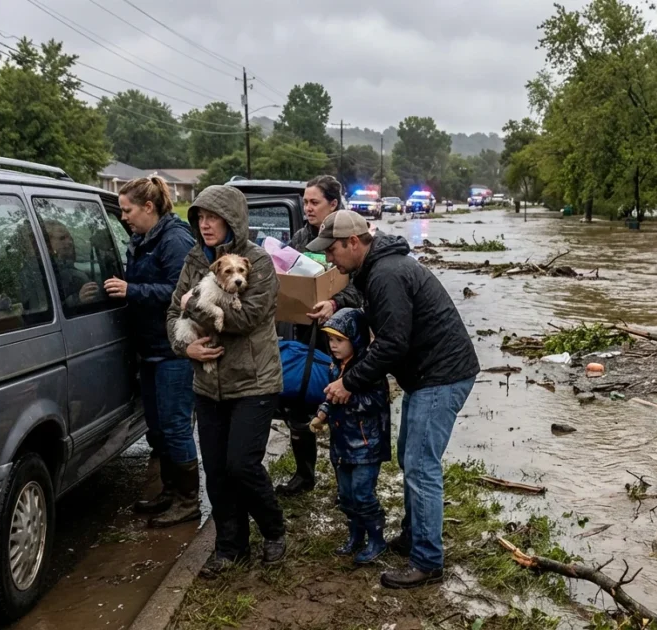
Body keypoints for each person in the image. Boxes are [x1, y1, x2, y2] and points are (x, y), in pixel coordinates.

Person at [309, 210, 479, 589]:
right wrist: (335, 305)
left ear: (354, 243)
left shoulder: (386, 273)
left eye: (332, 250)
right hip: (430, 374)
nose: (329, 259)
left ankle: (428, 562)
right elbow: (368, 304)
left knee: (420, 466)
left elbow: (391, 343)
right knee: (411, 457)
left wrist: (348, 382)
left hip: (441, 375)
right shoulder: (377, 267)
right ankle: (414, 534)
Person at [166, 185, 287, 576]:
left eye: (212, 217)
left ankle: (273, 530)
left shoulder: (259, 263)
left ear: (232, 220)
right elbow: (173, 313)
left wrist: (195, 309)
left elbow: (244, 318)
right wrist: (187, 350)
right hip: (207, 381)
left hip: (253, 381)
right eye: (200, 218)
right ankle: (230, 546)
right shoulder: (193, 260)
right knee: (216, 471)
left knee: (241, 465)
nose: (205, 225)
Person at [106, 176, 200, 528]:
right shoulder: (142, 238)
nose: (123, 217)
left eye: (127, 210)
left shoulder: (174, 239)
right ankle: (171, 490)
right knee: (158, 429)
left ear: (149, 207)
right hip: (149, 348)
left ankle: (188, 501)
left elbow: (181, 294)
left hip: (172, 348)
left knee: (175, 427)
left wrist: (132, 289)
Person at [272, 174, 363, 497]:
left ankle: (348, 481)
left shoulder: (351, 238)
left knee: (342, 404)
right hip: (304, 330)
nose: (307, 208)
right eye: (304, 202)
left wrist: (336, 303)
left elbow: (360, 287)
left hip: (343, 334)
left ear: (333, 204)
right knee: (298, 403)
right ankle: (304, 475)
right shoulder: (300, 237)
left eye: (314, 202)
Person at [308, 308, 391, 565]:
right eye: (330, 340)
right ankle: (355, 534)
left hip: (366, 443)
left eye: (339, 340)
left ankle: (376, 539)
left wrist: (348, 395)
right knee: (345, 494)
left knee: (363, 493)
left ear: (355, 338)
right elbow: (330, 397)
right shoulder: (335, 368)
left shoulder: (368, 368)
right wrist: (322, 413)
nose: (333, 346)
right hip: (342, 443)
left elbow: (377, 400)